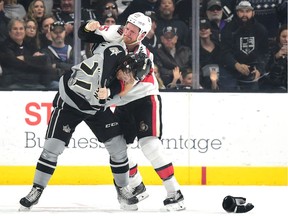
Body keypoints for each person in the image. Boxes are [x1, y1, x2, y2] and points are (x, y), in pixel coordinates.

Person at [19, 43, 145, 211]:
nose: (129, 80)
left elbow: (115, 95)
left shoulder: (121, 80)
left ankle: (122, 189)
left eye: (134, 77)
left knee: (118, 146)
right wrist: (89, 28)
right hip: (69, 103)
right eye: (130, 74)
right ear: (125, 65)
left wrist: (111, 92)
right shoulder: (112, 54)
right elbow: (92, 40)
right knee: (52, 148)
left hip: (94, 107)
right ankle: (36, 189)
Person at [79, 12, 185, 211]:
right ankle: (137, 186)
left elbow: (125, 86)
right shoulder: (116, 32)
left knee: (150, 146)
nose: (126, 32)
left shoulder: (144, 57)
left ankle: (175, 193)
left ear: (142, 35)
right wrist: (88, 27)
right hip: (122, 103)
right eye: (126, 27)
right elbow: (85, 36)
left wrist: (107, 93)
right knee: (118, 148)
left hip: (145, 99)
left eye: (132, 31)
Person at [220, 1, 269, 91]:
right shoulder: (228, 29)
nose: (244, 14)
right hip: (232, 70)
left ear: (253, 13)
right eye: (241, 11)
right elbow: (224, 52)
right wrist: (236, 65)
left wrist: (259, 70)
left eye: (247, 11)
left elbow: (265, 53)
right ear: (237, 12)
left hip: (252, 70)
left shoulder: (261, 29)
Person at [1, 18, 53, 90]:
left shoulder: (30, 45)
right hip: (13, 84)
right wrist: (32, 61)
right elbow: (11, 62)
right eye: (15, 29)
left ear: (24, 31)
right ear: (9, 32)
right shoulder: (4, 46)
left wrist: (24, 58)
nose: (18, 31)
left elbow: (43, 60)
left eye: (21, 28)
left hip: (34, 83)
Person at [41, 21, 74, 89]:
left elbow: (77, 68)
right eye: (55, 32)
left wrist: (57, 65)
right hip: (54, 84)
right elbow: (49, 72)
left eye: (61, 31)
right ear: (50, 33)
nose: (58, 34)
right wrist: (68, 68)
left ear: (65, 32)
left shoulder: (73, 51)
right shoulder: (45, 52)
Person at [261, 24, 288, 91]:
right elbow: (264, 69)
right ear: (279, 37)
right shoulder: (271, 48)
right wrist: (276, 56)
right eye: (284, 37)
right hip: (273, 85)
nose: (286, 40)